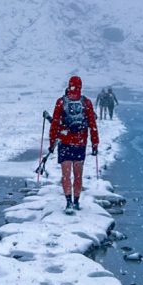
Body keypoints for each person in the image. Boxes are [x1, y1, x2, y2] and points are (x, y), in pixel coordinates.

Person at [48, 75, 99, 213]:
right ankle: (76, 202)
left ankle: (68, 202)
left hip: (64, 143)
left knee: (66, 175)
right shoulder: (86, 103)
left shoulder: (61, 102)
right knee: (78, 175)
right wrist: (95, 143)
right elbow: (93, 125)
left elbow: (54, 124)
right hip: (80, 143)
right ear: (81, 86)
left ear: (69, 85)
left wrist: (52, 142)